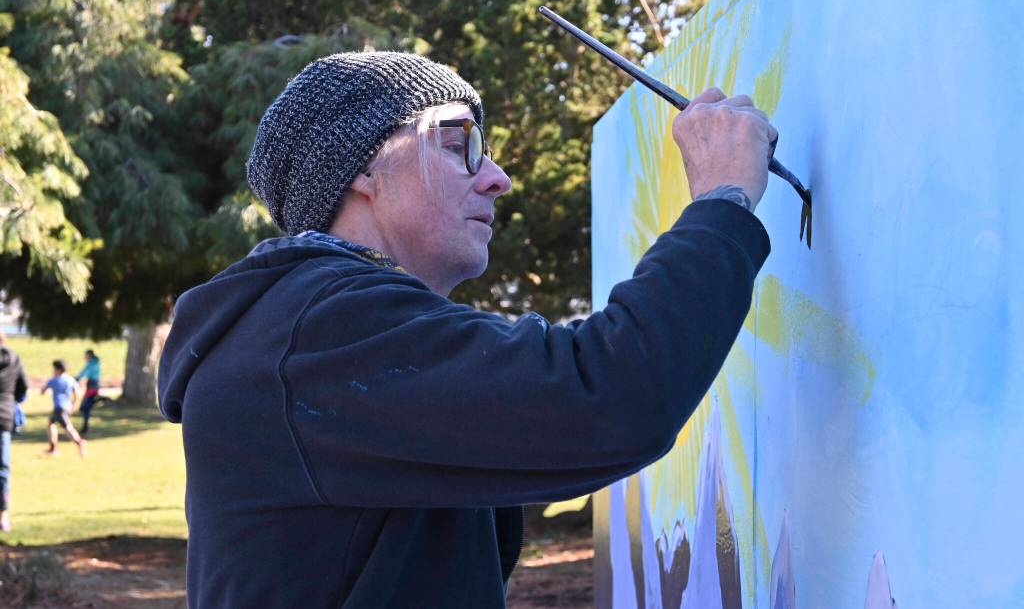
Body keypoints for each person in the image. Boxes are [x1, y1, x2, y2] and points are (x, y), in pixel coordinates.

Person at [158, 52, 775, 607]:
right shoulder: (322, 329)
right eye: (459, 144)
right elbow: (607, 395)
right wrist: (721, 203)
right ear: (362, 171)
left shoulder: (308, 327)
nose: (497, 177)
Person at [0, 331, 28, 532]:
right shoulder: (14, 358)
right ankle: (3, 515)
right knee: (3, 468)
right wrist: (12, 399)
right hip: (4, 415)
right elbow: (23, 387)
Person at [43, 360, 86, 457]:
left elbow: (43, 390)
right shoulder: (71, 379)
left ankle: (80, 442)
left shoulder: (54, 379)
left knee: (68, 428)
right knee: (51, 424)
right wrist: (74, 405)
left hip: (59, 407)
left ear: (57, 369)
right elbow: (77, 394)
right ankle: (53, 448)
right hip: (67, 407)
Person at [75, 348, 103, 436]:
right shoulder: (95, 362)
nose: (85, 357)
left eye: (86, 355)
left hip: (92, 386)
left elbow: (85, 371)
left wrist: (77, 378)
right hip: (92, 386)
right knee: (86, 407)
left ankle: (85, 427)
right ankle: (85, 426)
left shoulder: (92, 363)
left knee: (85, 407)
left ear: (89, 355)